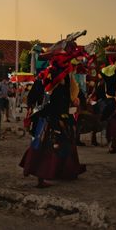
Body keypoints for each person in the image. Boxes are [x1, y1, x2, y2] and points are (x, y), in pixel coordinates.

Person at [19, 33, 87, 188]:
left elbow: (74, 94)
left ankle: (64, 171)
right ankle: (41, 178)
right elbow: (36, 92)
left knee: (64, 144)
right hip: (49, 116)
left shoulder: (66, 75)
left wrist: (77, 100)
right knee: (46, 146)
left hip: (60, 115)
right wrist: (30, 108)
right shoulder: (49, 74)